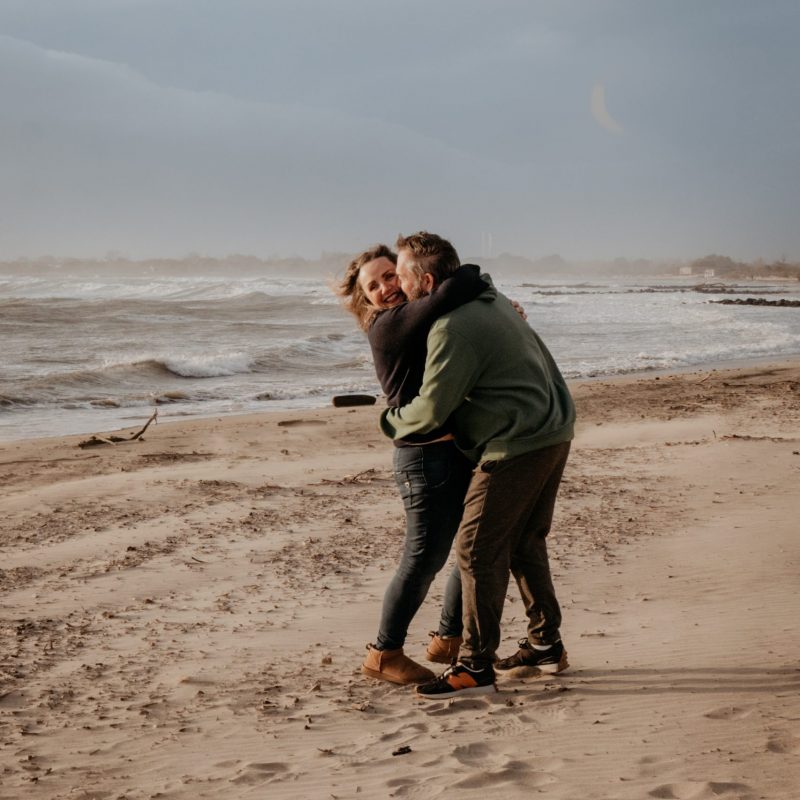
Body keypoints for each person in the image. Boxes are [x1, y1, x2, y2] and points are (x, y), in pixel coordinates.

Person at [380, 231, 576, 698]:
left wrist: (389, 421)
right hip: (553, 428)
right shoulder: (492, 298)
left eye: (402, 277)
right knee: (525, 542)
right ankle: (545, 645)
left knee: (473, 550)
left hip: (518, 443)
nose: (399, 290)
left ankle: (475, 665)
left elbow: (430, 410)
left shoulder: (454, 328)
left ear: (425, 282)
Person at [336, 244, 488, 685]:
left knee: (469, 548)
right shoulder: (388, 326)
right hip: (423, 459)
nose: (386, 288)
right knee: (423, 558)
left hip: (453, 452)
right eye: (374, 285)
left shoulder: (420, 317)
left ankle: (448, 637)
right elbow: (461, 281)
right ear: (365, 300)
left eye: (389, 276)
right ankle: (384, 653)